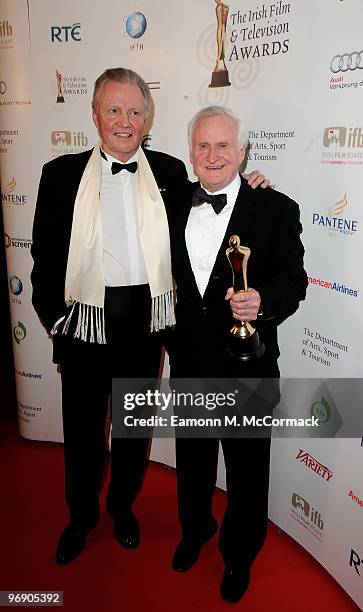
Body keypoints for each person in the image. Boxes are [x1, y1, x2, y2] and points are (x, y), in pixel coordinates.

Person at [31, 68, 268, 565]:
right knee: (82, 433)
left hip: (147, 323)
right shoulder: (59, 174)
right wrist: (56, 322)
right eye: (113, 110)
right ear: (94, 115)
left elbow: (220, 194)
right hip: (83, 324)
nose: (124, 121)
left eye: (134, 111)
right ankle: (81, 518)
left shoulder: (167, 173)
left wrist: (254, 186)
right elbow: (45, 261)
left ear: (147, 117)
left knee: (133, 430)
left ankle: (121, 509)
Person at [169, 106, 308, 603]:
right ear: (190, 152)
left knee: (248, 473)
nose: (213, 155)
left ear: (243, 151)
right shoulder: (171, 203)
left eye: (224, 145)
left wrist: (263, 302)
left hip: (248, 368)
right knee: (194, 460)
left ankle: (239, 555)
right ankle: (195, 530)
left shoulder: (274, 207)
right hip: (189, 364)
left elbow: (295, 282)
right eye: (203, 146)